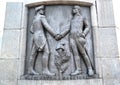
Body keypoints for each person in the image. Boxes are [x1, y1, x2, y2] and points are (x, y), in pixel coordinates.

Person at [29, 5, 58, 75]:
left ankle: (30, 69)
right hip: (40, 37)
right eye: (42, 10)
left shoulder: (34, 19)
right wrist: (55, 34)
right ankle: (45, 70)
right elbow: (47, 26)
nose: (43, 11)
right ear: (39, 11)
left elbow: (31, 30)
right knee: (47, 51)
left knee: (33, 53)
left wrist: (37, 31)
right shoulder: (41, 17)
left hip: (35, 37)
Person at [70, 5, 94, 76]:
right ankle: (78, 69)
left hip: (78, 37)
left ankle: (90, 69)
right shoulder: (72, 19)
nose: (73, 10)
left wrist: (83, 33)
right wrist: (60, 35)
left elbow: (87, 26)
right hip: (71, 37)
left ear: (77, 10)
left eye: (74, 9)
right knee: (75, 54)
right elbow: (68, 28)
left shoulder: (82, 17)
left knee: (83, 53)